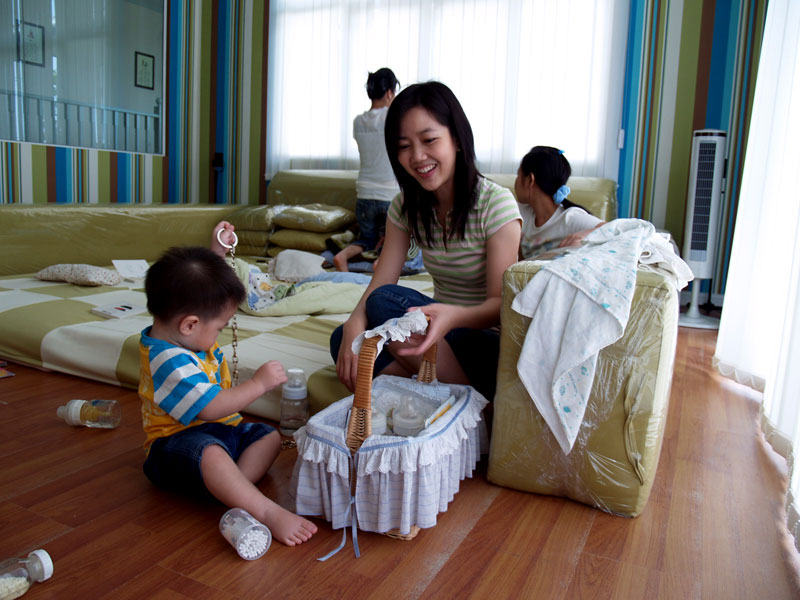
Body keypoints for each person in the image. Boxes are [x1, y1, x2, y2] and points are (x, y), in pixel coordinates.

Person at [330, 81, 522, 400]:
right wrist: (354, 321)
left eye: (429, 140)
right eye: (404, 146)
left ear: (456, 138)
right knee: (344, 342)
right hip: (437, 338)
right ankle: (445, 391)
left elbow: (498, 305)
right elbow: (383, 278)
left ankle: (474, 406)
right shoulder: (405, 207)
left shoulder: (496, 203)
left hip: (485, 343)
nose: (417, 156)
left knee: (384, 302)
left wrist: (450, 315)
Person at [139, 235, 317, 547]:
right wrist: (258, 384)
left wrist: (217, 255)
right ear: (189, 325)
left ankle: (233, 489)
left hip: (218, 433)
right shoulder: (167, 360)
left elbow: (200, 292)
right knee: (210, 453)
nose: (221, 333)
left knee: (268, 436)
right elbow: (211, 408)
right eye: (219, 328)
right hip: (174, 448)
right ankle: (264, 509)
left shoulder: (184, 332)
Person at [333, 68, 401, 271]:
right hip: (390, 194)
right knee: (396, 240)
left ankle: (342, 256)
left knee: (367, 239)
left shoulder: (358, 122)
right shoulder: (394, 118)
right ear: (389, 92)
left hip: (364, 193)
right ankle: (381, 264)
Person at [515, 145, 605, 258]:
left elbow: (617, 230)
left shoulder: (570, 218)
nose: (516, 182)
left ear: (530, 180)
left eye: (518, 175)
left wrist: (585, 234)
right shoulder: (521, 212)